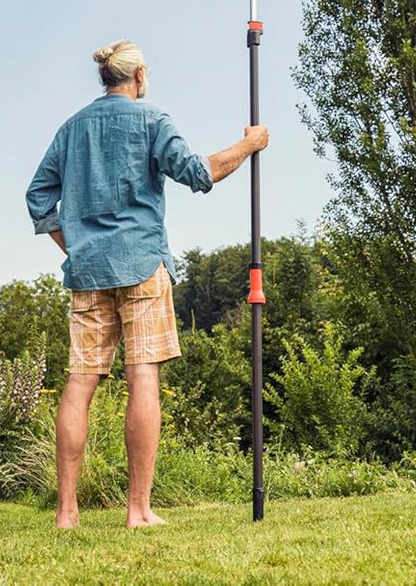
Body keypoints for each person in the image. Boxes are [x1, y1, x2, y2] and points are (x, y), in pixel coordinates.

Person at [26, 39, 269, 529]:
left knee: (80, 382)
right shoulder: (153, 121)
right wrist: (250, 143)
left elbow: (37, 196)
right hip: (142, 265)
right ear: (139, 76)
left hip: (88, 273)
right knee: (143, 376)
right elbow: (200, 173)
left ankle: (66, 514)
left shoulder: (71, 129)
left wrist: (73, 245)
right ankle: (138, 511)